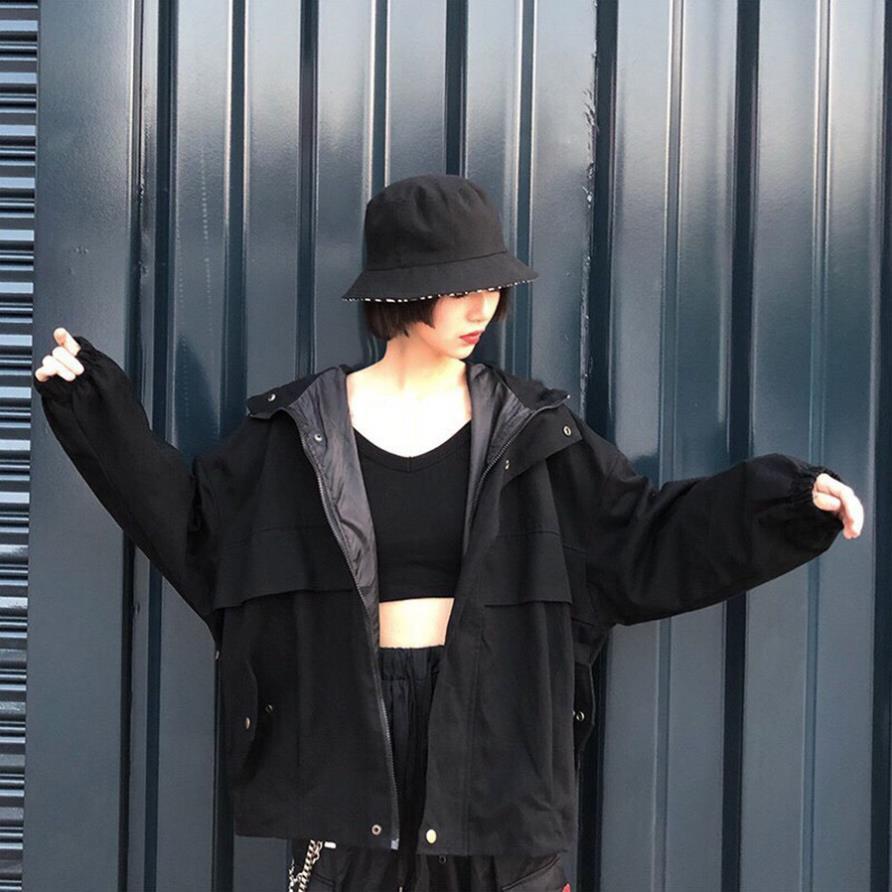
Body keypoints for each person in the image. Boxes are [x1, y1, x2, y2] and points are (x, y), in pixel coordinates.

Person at [33, 173, 863, 892]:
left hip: (499, 735)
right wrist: (90, 406)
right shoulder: (299, 433)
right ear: (401, 291)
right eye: (459, 287)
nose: (482, 307)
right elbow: (195, 533)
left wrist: (790, 504)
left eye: (492, 286)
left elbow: (643, 537)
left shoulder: (535, 433)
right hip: (346, 741)